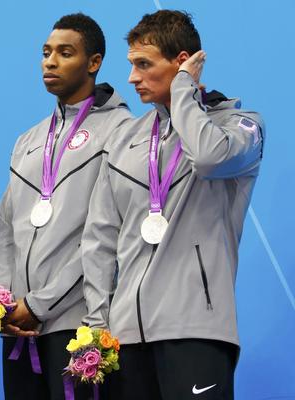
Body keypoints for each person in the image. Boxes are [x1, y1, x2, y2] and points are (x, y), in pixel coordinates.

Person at [81, 10, 264, 400]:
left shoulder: (240, 125)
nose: (132, 78)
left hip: (196, 330)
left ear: (183, 63)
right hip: (125, 337)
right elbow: (99, 237)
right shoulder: (125, 138)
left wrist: (184, 90)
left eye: (144, 64)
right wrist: (98, 324)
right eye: (131, 65)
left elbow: (210, 158)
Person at [0, 13, 132, 399]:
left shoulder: (122, 131)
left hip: (78, 322)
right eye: (46, 52)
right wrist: (0, 302)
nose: (50, 61)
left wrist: (40, 303)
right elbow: (6, 229)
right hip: (20, 325)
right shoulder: (28, 139)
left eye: (65, 53)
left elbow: (106, 234)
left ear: (94, 62)